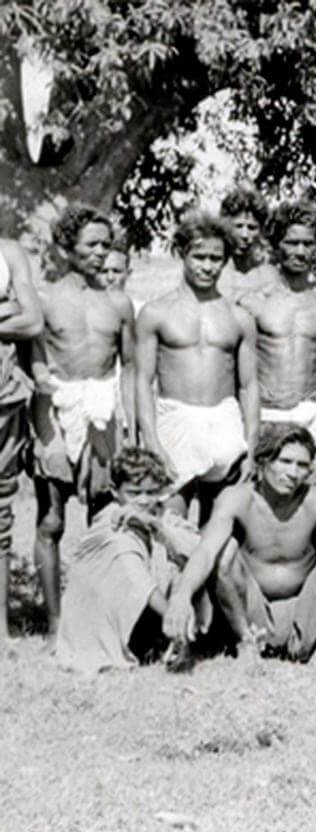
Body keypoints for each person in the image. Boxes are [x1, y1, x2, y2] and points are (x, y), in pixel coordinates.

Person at [163, 423, 316, 663]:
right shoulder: (237, 498)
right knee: (224, 552)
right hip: (253, 609)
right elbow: (205, 552)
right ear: (263, 461)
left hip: (306, 609)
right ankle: (245, 642)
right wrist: (181, 596)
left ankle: (315, 646)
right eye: (285, 461)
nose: (293, 473)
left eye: (302, 465)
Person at [32, 204, 136, 640]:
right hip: (58, 410)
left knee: (104, 516)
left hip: (103, 413)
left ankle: (97, 616)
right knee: (51, 520)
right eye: (90, 245)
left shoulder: (118, 303)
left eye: (105, 245)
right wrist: (45, 433)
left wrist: (129, 426)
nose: (99, 254)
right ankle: (56, 620)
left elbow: (130, 369)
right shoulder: (44, 299)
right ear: (66, 248)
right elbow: (35, 362)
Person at [135, 211, 258, 522]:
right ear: (181, 254)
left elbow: (249, 385)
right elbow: (142, 380)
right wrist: (150, 440)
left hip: (225, 420)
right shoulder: (156, 313)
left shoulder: (239, 317)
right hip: (175, 419)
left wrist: (252, 445)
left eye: (216, 258)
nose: (207, 266)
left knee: (219, 527)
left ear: (226, 260)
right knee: (171, 525)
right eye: (199, 256)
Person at [54, 447, 206, 674]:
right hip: (97, 623)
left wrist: (157, 526)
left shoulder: (158, 514)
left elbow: (199, 548)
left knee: (176, 557)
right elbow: (138, 580)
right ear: (115, 491)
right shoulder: (111, 525)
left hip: (137, 613)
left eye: (152, 492)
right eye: (134, 493)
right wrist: (174, 618)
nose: (144, 500)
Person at [239, 201, 316, 482]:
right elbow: (239, 378)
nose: (300, 251)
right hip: (264, 417)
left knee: (313, 508)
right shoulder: (253, 304)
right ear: (277, 245)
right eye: (292, 242)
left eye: (308, 244)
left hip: (309, 417)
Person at [0, 237, 45, 645]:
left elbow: (32, 322)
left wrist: (18, 309)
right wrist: (6, 310)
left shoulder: (9, 252)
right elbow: (17, 316)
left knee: (0, 510)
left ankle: (0, 627)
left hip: (2, 397)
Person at [217, 187, 270, 298]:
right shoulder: (213, 265)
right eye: (238, 226)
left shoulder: (263, 266)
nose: (244, 235)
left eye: (252, 228)